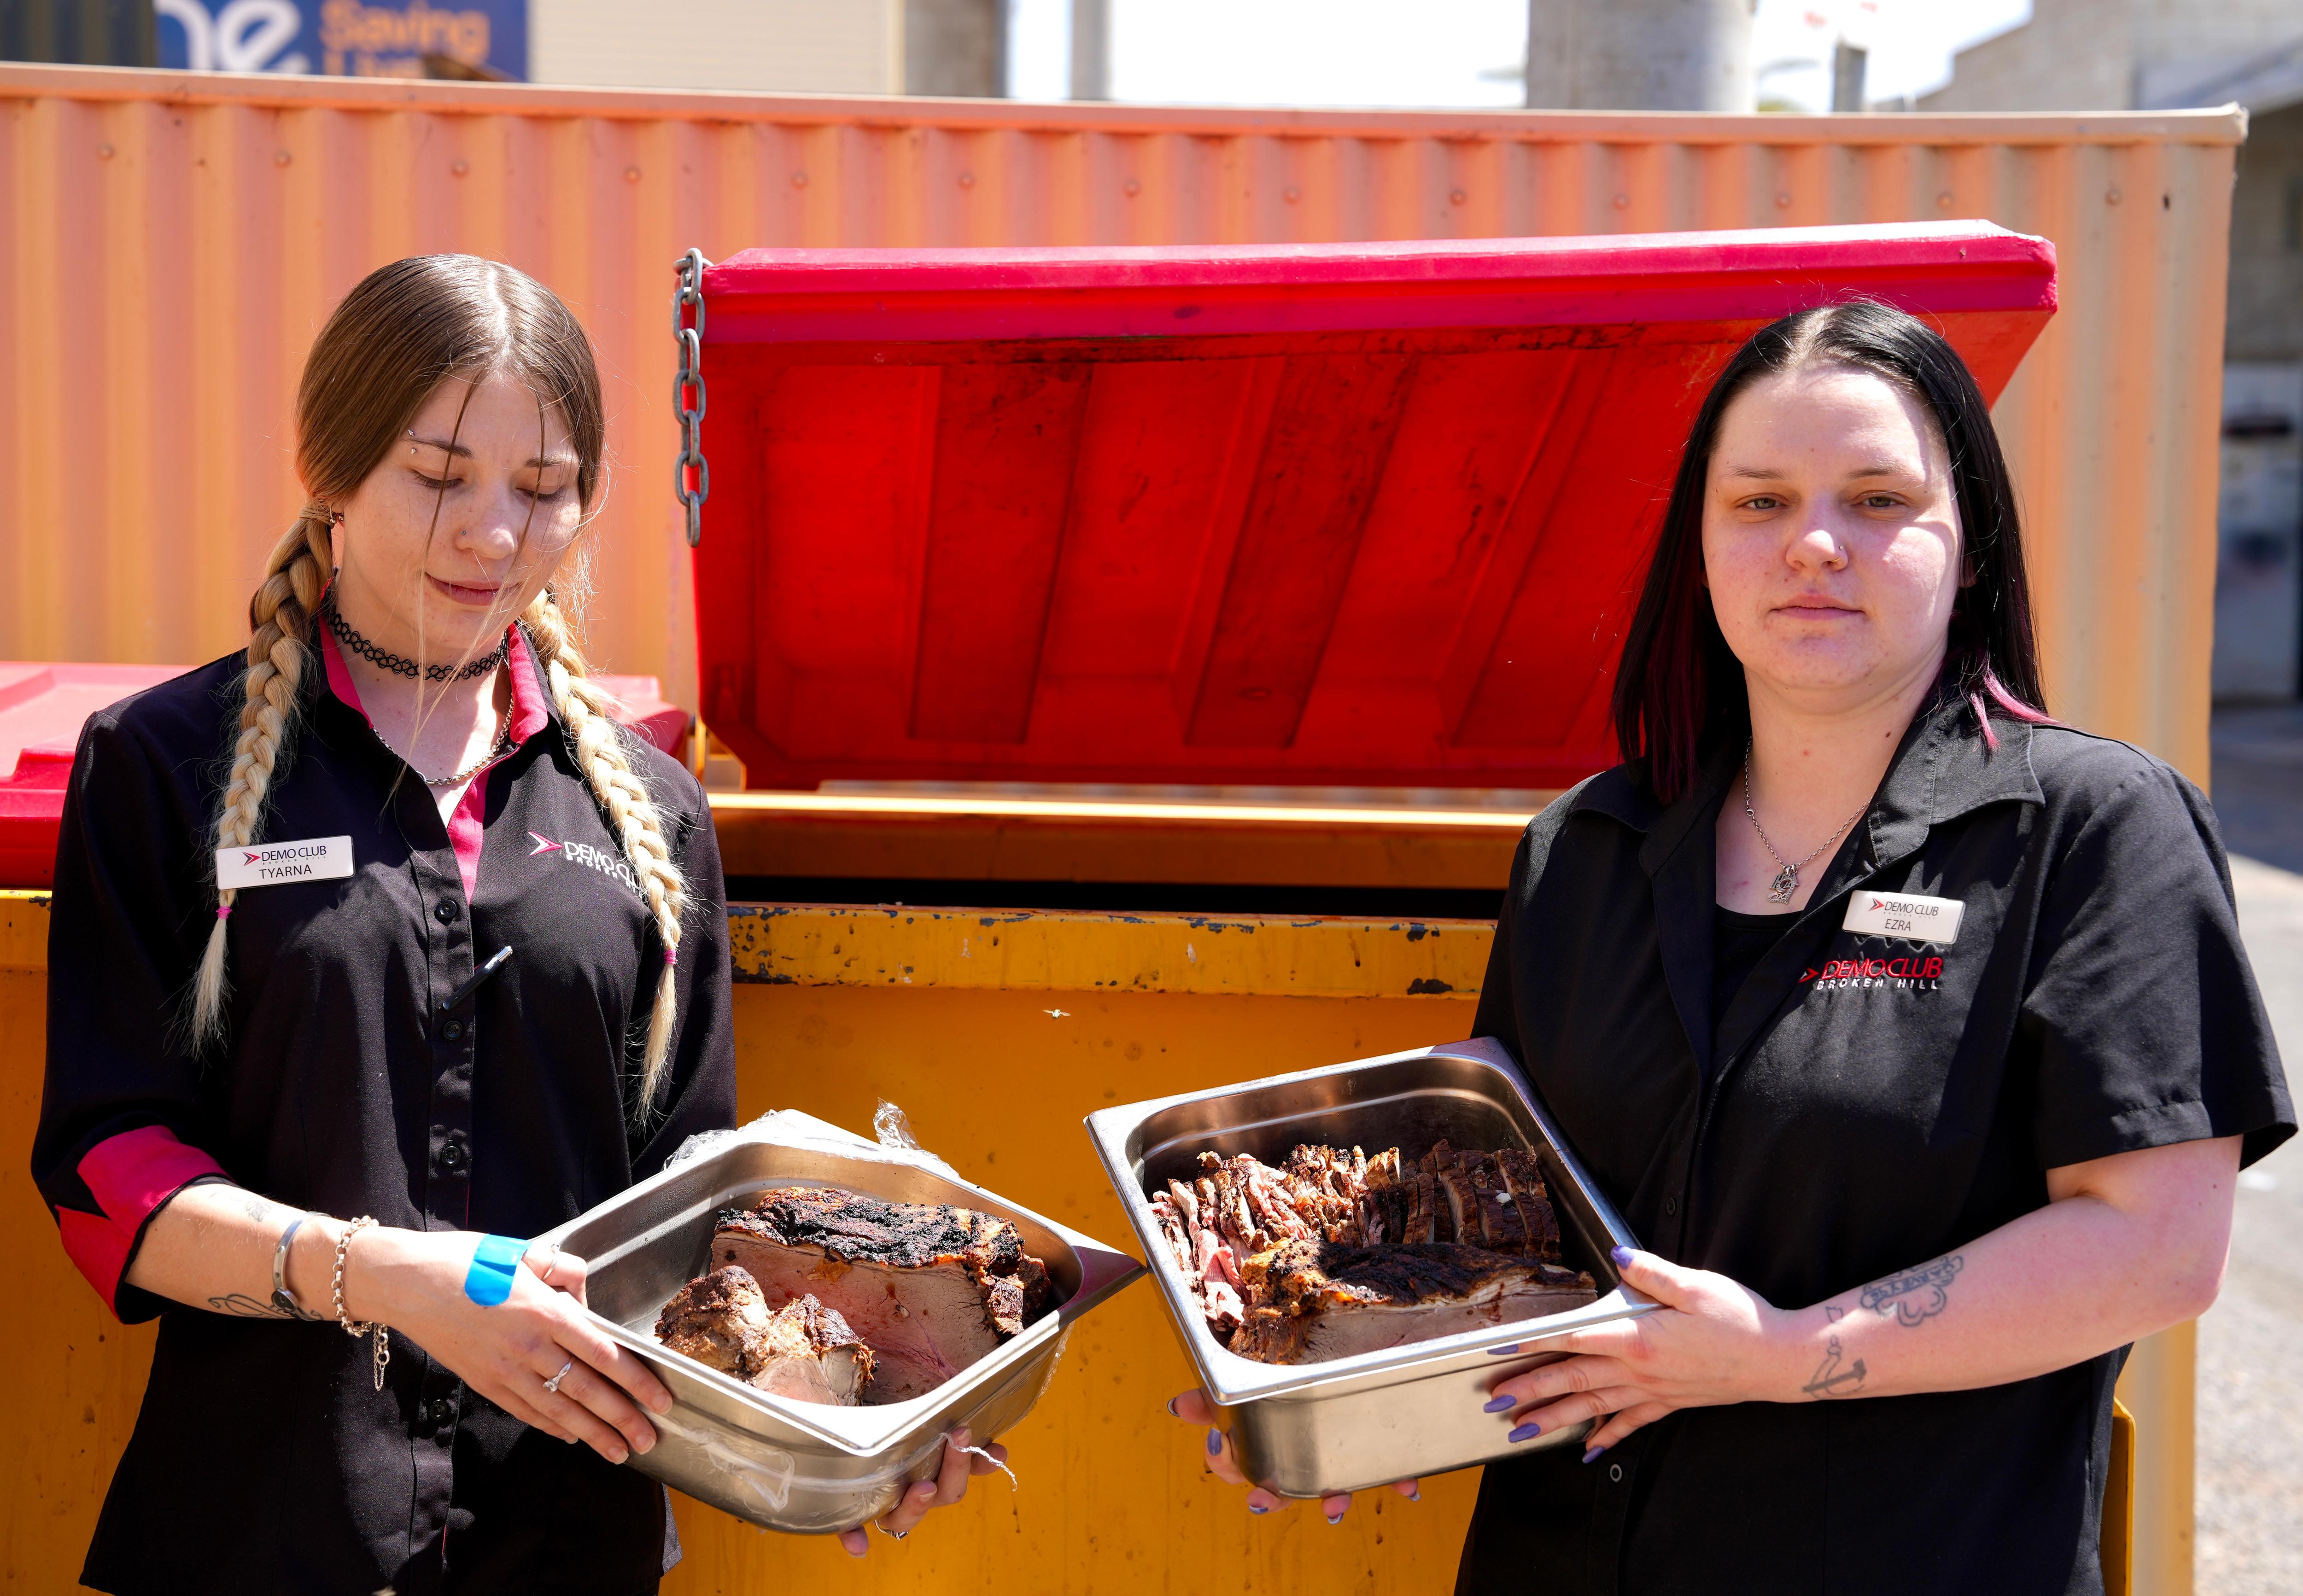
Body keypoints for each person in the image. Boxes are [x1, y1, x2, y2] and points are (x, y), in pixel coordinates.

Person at [1172, 299, 2293, 1593]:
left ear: (1970, 543)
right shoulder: (1584, 854)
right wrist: (1327, 1377)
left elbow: (2155, 1245)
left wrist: (1785, 1347)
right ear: (1698, 546)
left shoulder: (2089, 832)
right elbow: (1501, 1225)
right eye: (1759, 503)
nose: (1815, 543)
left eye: (1877, 499)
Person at [32, 255, 996, 1595]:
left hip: (569, 1551)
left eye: (542, 491)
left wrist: (855, 1423)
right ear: (331, 468)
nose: (494, 533)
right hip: (261, 1540)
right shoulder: (162, 764)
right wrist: (393, 1279)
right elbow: (106, 1180)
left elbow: (695, 1225)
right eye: (439, 476)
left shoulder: (652, 813)